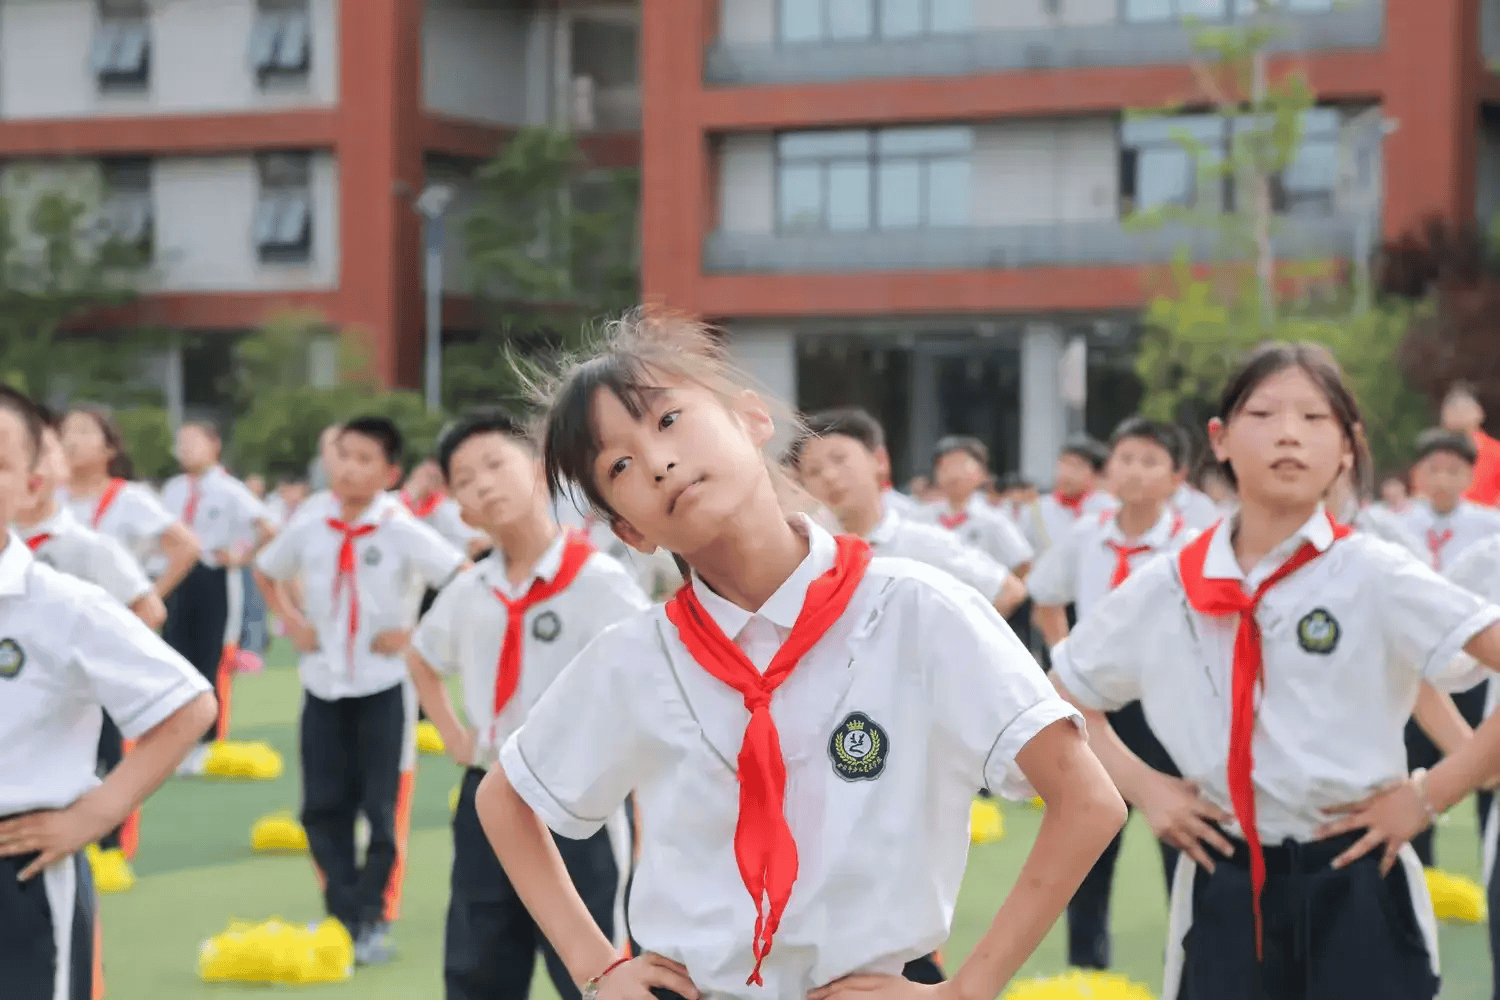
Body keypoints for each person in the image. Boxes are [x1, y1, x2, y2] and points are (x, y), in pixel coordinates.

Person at [474, 311, 1125, 1000]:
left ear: (752, 420)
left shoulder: (917, 610)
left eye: (669, 421)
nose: (660, 461)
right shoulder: (636, 657)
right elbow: (504, 798)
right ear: (630, 530)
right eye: (621, 465)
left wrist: (967, 989)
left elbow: (1087, 799)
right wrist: (595, 966)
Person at [1049, 342, 1500, 1000]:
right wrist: (1148, 790)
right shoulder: (1171, 583)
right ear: (1222, 439)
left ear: (1347, 448)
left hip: (1357, 871)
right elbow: (1063, 697)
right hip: (1224, 874)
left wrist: (1428, 796)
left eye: (1316, 419)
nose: (1289, 433)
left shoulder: (1375, 572)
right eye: (1263, 413)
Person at [406, 409, 647, 1000]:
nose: (483, 483)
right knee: (478, 959)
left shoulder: (598, 583)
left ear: (540, 473)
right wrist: (458, 739)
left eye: (495, 464)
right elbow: (421, 658)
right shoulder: (469, 591)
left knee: (595, 969)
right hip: (489, 795)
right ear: (459, 507)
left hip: (578, 803)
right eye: (465, 478)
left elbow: (650, 686)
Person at [0, 385, 217, 1000]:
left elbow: (189, 704)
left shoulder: (61, 603)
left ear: (32, 484)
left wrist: (95, 812)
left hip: (18, 867)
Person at [254, 416, 467, 965]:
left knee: (381, 807)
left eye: (364, 459)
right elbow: (266, 569)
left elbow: (465, 577)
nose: (348, 467)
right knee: (321, 808)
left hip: (383, 688)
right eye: (343, 454)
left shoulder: (399, 526)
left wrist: (416, 633)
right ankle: (343, 912)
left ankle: (370, 916)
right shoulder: (311, 519)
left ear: (390, 472)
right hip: (322, 686)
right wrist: (291, 619)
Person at [1028, 416, 1193, 971]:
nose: (1135, 473)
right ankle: (1086, 971)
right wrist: (1066, 655)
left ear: (1177, 477)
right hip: (1094, 709)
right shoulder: (1086, 537)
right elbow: (1045, 596)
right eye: (1125, 459)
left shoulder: (1191, 549)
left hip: (1165, 711)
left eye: (1151, 462)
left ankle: (1192, 965)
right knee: (1089, 836)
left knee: (1184, 839)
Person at [13, 409, 168, 891]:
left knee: (101, 765)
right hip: (19, 693)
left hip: (79, 690)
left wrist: (104, 665)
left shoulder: (89, 543)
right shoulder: (12, 540)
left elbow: (152, 608)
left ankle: (111, 848)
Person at [790, 408, 1027, 620]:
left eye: (839, 459)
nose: (829, 476)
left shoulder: (924, 543)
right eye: (813, 471)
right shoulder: (811, 556)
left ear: (880, 460)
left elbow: (1008, 590)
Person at [159, 422, 278, 770]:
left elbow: (268, 527)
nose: (186, 449)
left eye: (194, 442)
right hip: (177, 574)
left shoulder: (229, 489)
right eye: (181, 443)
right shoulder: (173, 488)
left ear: (214, 445)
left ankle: (207, 740)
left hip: (213, 575)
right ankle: (174, 737)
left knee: (209, 656)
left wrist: (242, 557)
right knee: (172, 653)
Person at [1399, 428, 1500, 572]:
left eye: (1453, 471)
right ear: (1417, 473)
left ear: (1470, 476)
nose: (1442, 480)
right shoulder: (1400, 521)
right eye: (1433, 470)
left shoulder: (1490, 525)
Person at [1018, 435, 1115, 554]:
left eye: (1076, 466)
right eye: (1064, 464)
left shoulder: (1109, 509)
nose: (1067, 473)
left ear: (1096, 474)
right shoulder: (1035, 510)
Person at [1440, 383, 1500, 506]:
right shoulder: (1437, 455)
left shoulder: (1495, 452)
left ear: (1479, 413)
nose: (1458, 414)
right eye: (1452, 408)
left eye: (1464, 409)